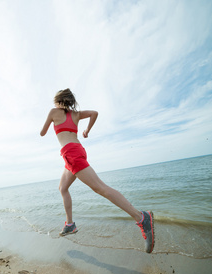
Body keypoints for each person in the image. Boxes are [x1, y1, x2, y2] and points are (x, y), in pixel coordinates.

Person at [40, 88, 155, 253]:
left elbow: (42, 133)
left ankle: (141, 218)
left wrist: (52, 122)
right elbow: (94, 113)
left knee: (100, 188)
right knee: (63, 188)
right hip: (77, 150)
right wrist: (87, 130)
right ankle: (70, 224)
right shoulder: (76, 114)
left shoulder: (53, 111)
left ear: (58, 101)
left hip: (70, 153)